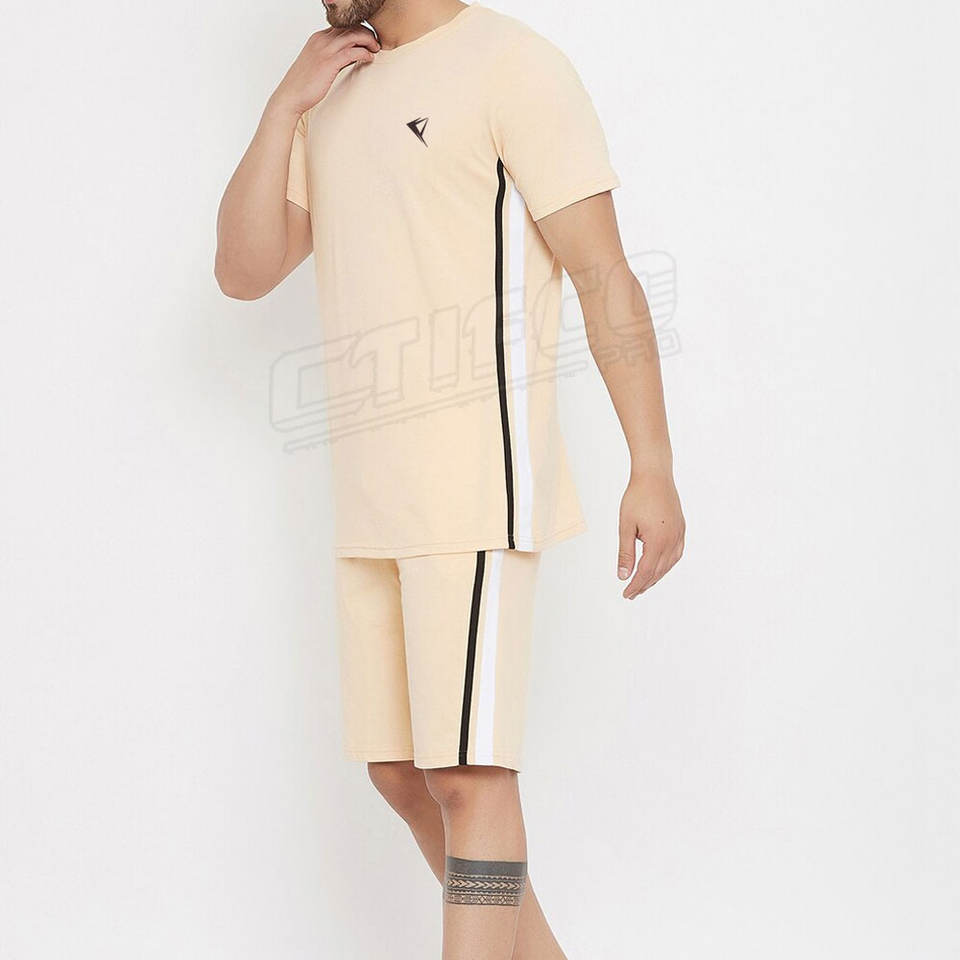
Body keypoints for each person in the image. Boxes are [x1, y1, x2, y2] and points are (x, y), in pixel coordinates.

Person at [215, 0, 684, 956]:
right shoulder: (334, 90)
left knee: (470, 778)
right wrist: (282, 106)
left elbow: (603, 273)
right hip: (369, 498)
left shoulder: (512, 63)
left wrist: (653, 464)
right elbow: (243, 269)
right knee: (399, 774)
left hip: (473, 484)